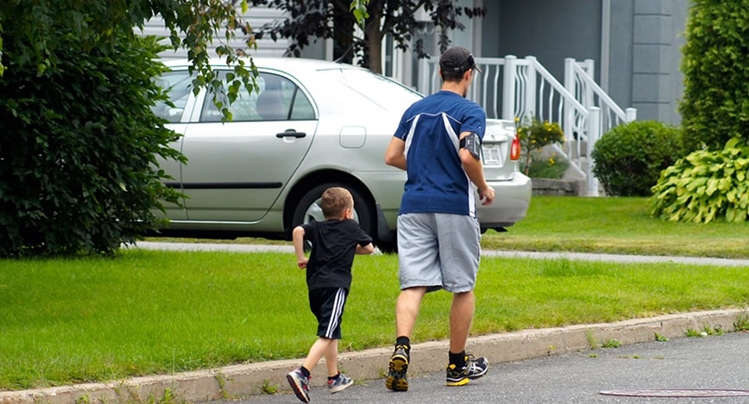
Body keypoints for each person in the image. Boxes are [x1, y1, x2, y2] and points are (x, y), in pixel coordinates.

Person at [383, 45, 495, 391]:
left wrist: (422, 166)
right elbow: (467, 154)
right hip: (453, 206)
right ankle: (456, 366)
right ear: (468, 74)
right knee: (462, 285)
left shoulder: (415, 109)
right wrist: (484, 187)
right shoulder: (469, 111)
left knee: (413, 283)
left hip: (413, 205)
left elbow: (391, 156)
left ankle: (402, 347)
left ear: (439, 73)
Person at [286, 186, 375, 403]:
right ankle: (303, 373)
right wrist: (348, 247)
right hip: (336, 287)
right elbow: (369, 248)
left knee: (332, 329)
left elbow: (298, 231)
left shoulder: (316, 227)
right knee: (327, 333)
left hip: (315, 287)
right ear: (347, 212)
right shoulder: (351, 227)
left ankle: (334, 377)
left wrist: (300, 257)